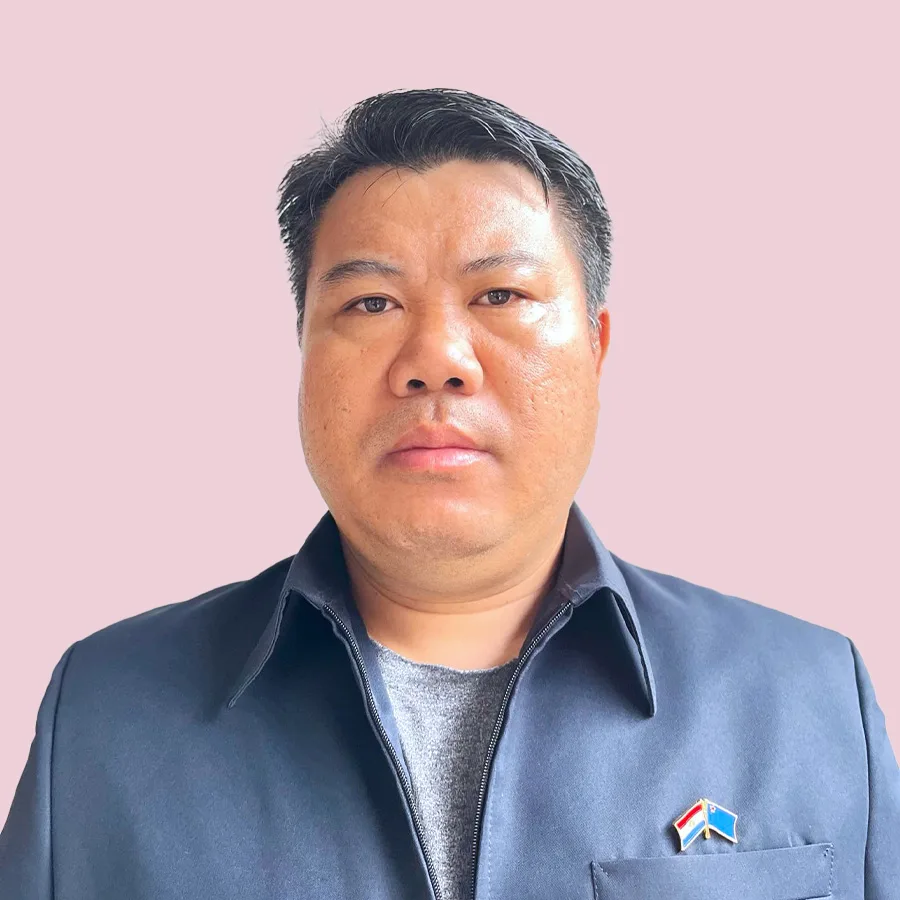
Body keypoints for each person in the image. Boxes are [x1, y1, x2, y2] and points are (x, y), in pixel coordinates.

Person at [1, 87, 897, 900]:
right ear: (303, 349)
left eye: (500, 294)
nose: (436, 359)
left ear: (596, 348)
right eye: (370, 304)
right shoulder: (105, 714)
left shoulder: (809, 698)